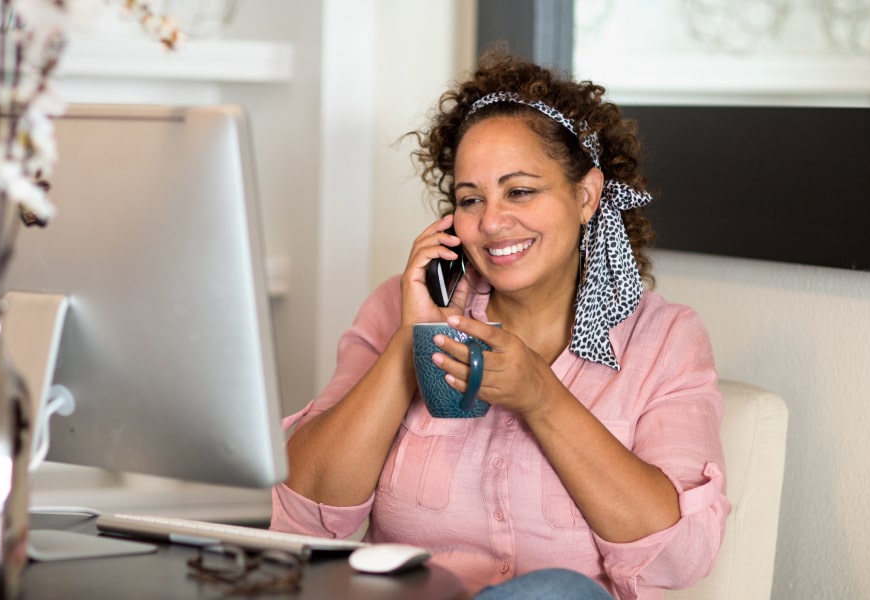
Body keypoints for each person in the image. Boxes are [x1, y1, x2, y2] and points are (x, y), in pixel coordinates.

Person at [270, 49, 730, 600]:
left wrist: (541, 397)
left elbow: (677, 559)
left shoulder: (665, 342)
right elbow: (300, 519)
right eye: (470, 199)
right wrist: (411, 343)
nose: (490, 222)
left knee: (559, 591)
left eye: (519, 191)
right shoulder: (396, 310)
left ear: (586, 196)